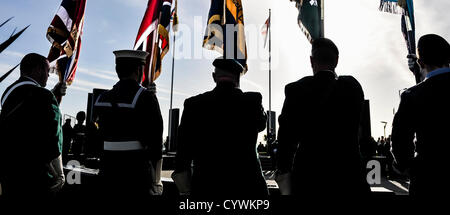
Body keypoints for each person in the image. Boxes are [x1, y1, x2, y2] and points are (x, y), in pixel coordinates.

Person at [276, 38, 370, 196]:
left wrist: (284, 172)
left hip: (309, 180)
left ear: (311, 61)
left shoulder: (296, 90)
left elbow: (286, 139)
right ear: (337, 61)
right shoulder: (352, 87)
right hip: (349, 178)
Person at [172, 58, 268, 196]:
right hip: (248, 188)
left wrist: (185, 189)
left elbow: (183, 152)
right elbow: (261, 125)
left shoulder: (193, 104)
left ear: (213, 77)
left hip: (206, 187)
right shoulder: (252, 101)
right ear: (238, 78)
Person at [93, 50, 163, 197]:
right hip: (135, 173)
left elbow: (95, 138)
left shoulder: (101, 98)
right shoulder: (145, 97)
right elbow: (155, 143)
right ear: (139, 70)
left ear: (117, 70)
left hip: (107, 170)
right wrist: (156, 181)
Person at [391, 34, 450, 197]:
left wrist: (406, 167)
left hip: (428, 180)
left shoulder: (412, 96)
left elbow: (400, 140)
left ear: (421, 62)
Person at [0, 53, 66, 198]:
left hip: (9, 171)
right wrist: (60, 173)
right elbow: (53, 138)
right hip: (35, 175)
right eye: (47, 71)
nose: (48, 76)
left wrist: (53, 94)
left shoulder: (7, 93)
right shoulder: (44, 96)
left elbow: (28, 114)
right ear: (37, 70)